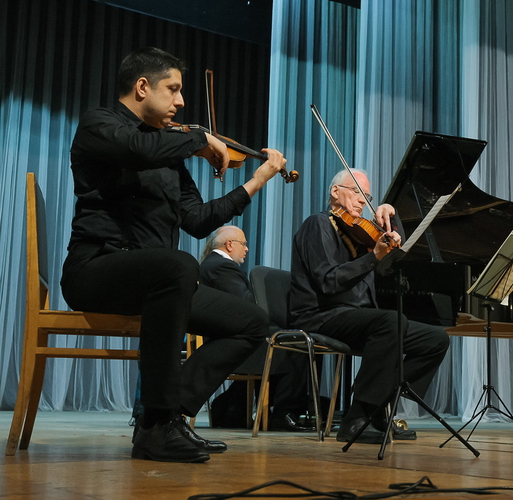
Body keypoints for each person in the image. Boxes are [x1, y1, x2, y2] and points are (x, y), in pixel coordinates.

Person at [60, 47, 287, 463]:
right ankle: (157, 426)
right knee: (179, 264)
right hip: (95, 270)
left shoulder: (171, 155)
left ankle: (164, 416)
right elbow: (138, 148)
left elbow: (199, 220)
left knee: (252, 323)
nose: (181, 101)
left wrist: (256, 181)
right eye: (174, 89)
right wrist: (199, 139)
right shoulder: (99, 124)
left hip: (162, 281)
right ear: (143, 87)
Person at [289, 168, 450, 443]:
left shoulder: (362, 234)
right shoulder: (319, 225)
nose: (363, 201)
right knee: (390, 322)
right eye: (357, 192)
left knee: (435, 339)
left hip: (359, 319)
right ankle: (357, 418)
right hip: (321, 314)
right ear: (335, 191)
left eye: (368, 196)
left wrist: (391, 217)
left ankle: (378, 405)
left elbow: (397, 253)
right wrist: (373, 257)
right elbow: (329, 282)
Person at [199, 226, 314, 432]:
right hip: (229, 340)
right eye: (243, 244)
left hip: (227, 334)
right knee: (295, 341)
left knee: (283, 335)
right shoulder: (220, 266)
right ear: (229, 244)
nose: (247, 249)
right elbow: (244, 304)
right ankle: (283, 412)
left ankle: (231, 406)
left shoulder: (214, 265)